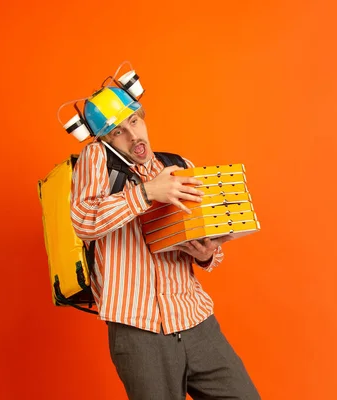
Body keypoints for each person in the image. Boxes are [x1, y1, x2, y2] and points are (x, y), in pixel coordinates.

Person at [70, 84, 260, 399]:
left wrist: (207, 252)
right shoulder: (96, 158)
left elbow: (204, 233)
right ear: (104, 139)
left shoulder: (180, 165)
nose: (132, 136)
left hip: (195, 319)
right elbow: (84, 221)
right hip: (138, 328)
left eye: (133, 122)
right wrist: (146, 193)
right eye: (117, 132)